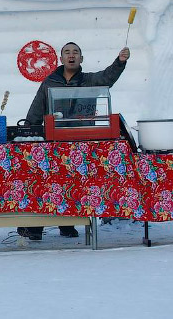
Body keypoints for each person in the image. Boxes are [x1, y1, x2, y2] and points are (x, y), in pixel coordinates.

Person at [16, 42, 130, 241]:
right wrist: (28, 131)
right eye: (67, 52)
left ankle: (68, 223)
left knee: (74, 183)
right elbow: (36, 109)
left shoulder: (90, 80)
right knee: (46, 182)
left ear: (81, 59)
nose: (71, 55)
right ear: (61, 59)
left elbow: (108, 77)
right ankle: (35, 226)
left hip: (80, 140)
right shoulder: (50, 81)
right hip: (53, 142)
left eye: (75, 52)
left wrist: (120, 62)